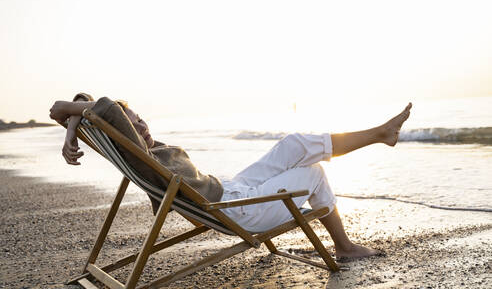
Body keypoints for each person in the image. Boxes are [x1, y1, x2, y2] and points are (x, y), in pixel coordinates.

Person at [50, 93, 412, 260]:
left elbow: (86, 104)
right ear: (122, 129)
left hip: (231, 189)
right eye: (134, 123)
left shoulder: (148, 150)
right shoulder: (141, 155)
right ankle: (345, 247)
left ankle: (380, 133)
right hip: (236, 210)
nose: (142, 126)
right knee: (314, 172)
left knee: (295, 142)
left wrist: (73, 129)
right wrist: (73, 115)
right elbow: (82, 106)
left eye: (141, 119)